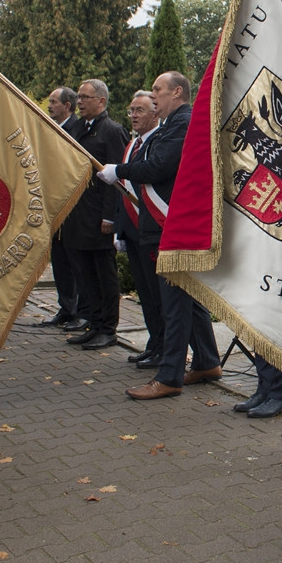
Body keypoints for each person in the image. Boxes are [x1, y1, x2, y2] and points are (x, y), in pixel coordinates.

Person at [98, 71, 222, 400]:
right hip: (168, 225)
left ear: (177, 92)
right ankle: (208, 361)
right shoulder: (174, 123)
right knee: (188, 299)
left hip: (173, 225)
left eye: (158, 90)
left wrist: (118, 171)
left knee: (174, 305)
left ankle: (169, 377)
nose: (153, 96)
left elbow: (157, 167)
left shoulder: (183, 123)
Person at [62, 79, 129, 350]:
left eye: (85, 97)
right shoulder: (78, 128)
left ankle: (107, 328)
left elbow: (116, 180)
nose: (80, 102)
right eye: (78, 97)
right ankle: (93, 322)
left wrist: (110, 217)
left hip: (98, 216)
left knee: (104, 274)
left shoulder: (112, 131)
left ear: (101, 101)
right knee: (84, 274)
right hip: (77, 214)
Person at [112, 91, 166, 368]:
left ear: (155, 113)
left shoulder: (159, 141)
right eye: (131, 110)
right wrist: (120, 231)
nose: (133, 115)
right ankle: (153, 342)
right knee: (144, 292)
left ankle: (163, 348)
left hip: (153, 228)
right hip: (133, 229)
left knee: (158, 295)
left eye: (140, 110)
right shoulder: (132, 144)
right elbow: (123, 190)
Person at [39, 87, 87, 330]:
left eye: (54, 102)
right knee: (59, 260)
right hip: (54, 205)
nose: (50, 106)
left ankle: (78, 310)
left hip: (72, 207)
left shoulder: (77, 130)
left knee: (73, 261)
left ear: (68, 106)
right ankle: (66, 307)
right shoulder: (51, 128)